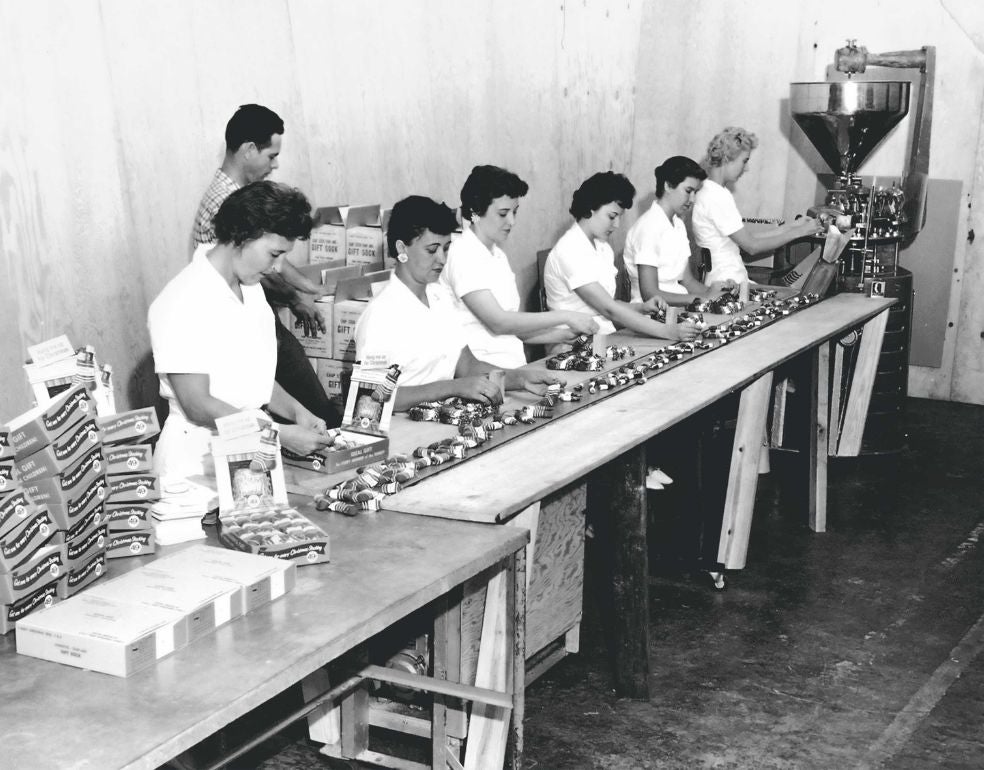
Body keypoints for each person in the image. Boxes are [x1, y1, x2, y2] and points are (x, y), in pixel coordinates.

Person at [150, 182, 333, 478]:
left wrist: (297, 412)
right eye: (274, 254)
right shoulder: (183, 299)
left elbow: (250, 381)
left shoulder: (252, 289)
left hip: (251, 455)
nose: (277, 268)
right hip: (195, 465)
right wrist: (278, 434)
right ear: (243, 235)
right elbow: (198, 404)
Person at [192, 103, 340, 425]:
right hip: (241, 319)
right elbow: (256, 267)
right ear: (248, 150)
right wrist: (296, 299)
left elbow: (272, 260)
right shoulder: (225, 202)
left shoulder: (238, 194)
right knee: (312, 409)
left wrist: (309, 287)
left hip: (254, 312)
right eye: (271, 156)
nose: (275, 165)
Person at [355, 196, 563, 412]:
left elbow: (467, 366)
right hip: (404, 430)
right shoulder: (380, 316)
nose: (442, 259)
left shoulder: (439, 298)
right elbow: (371, 397)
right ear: (402, 249)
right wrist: (452, 388)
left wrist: (520, 378)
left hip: (447, 416)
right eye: (432, 249)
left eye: (445, 248)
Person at [440, 165, 598, 367]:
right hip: (482, 369)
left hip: (512, 364)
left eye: (514, 212)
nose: (512, 221)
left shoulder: (497, 255)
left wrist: (563, 335)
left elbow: (514, 329)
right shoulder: (462, 253)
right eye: (503, 213)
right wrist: (566, 316)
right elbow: (498, 322)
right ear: (476, 212)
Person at [543, 172, 698, 342]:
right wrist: (668, 331)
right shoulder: (569, 249)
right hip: (571, 343)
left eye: (619, 217)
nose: (616, 225)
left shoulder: (602, 248)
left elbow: (609, 303)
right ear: (590, 208)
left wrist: (641, 308)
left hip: (603, 336)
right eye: (612, 216)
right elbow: (608, 309)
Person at [692, 126, 822, 286]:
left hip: (726, 278)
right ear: (727, 159)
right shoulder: (716, 196)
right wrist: (799, 233)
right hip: (727, 282)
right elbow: (752, 246)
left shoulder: (709, 190)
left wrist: (791, 227)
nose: (746, 168)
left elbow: (747, 239)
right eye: (744, 161)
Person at [624, 155, 736, 306]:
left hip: (680, 307)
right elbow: (649, 294)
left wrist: (715, 291)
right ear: (668, 186)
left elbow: (688, 282)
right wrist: (698, 300)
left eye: (695, 192)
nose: (692, 199)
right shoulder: (648, 227)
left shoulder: (677, 224)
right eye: (688, 191)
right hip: (650, 314)